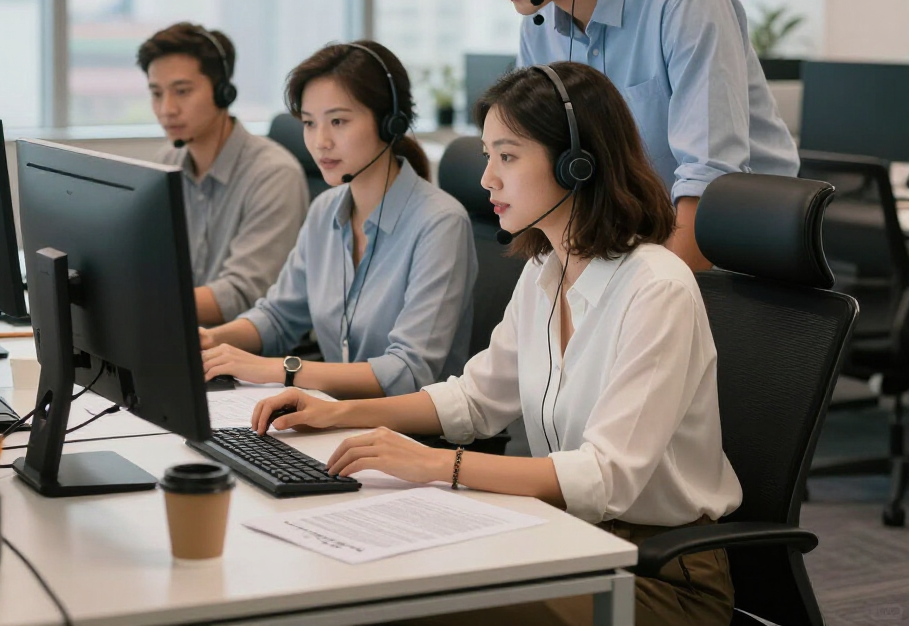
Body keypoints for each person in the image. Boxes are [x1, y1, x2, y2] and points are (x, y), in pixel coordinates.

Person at [250, 62, 742, 626]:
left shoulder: (657, 289)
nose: (488, 179)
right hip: (566, 540)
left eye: (507, 156)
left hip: (658, 576)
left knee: (419, 606)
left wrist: (435, 464)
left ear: (576, 163)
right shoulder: (544, 271)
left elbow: (605, 477)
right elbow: (475, 401)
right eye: (488, 156)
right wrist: (339, 412)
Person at [452, 0, 799, 271]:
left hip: (738, 256)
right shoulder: (539, 32)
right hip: (634, 253)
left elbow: (709, 181)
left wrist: (640, 306)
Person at [200, 40, 477, 399]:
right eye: (309, 123)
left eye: (338, 121)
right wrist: (211, 340)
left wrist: (280, 370)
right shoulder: (324, 211)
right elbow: (280, 316)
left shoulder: (440, 224)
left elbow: (408, 370)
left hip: (414, 440)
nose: (320, 141)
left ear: (390, 122)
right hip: (330, 419)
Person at [137, 22, 309, 327]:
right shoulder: (167, 162)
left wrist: (138, 302)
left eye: (182, 91)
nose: (167, 109)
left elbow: (242, 295)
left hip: (242, 355)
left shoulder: (273, 175)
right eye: (156, 93)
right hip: (175, 334)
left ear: (223, 91)